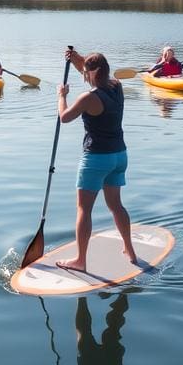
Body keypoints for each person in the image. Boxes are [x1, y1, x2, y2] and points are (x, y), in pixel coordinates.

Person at [56, 48, 137, 271]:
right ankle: (130, 250)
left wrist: (61, 96)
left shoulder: (87, 98)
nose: (84, 73)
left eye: (86, 71)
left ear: (92, 73)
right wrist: (77, 58)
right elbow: (88, 68)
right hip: (119, 156)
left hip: (96, 159)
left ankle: (80, 261)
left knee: (84, 209)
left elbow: (64, 118)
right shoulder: (117, 86)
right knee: (115, 205)